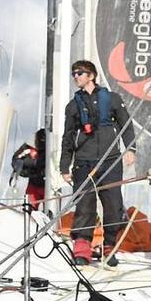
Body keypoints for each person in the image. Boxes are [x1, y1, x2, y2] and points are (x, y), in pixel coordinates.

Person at [59, 60, 136, 267]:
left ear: (91, 75)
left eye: (80, 73)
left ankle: (109, 246)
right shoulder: (73, 105)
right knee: (84, 207)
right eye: (73, 73)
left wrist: (130, 148)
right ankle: (82, 249)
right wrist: (64, 166)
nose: (76, 76)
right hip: (83, 163)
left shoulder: (112, 99)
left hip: (110, 162)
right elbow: (67, 137)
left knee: (113, 205)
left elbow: (126, 125)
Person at [11, 129, 46, 211]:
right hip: (33, 185)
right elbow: (16, 160)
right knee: (28, 211)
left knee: (52, 214)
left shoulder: (56, 145)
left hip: (51, 186)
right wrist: (31, 167)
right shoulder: (29, 146)